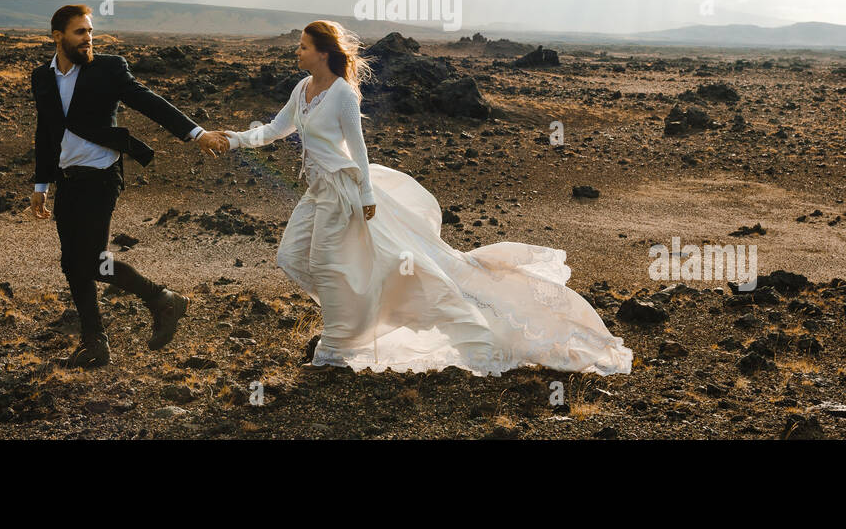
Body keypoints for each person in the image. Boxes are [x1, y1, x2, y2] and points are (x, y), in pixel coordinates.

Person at [207, 20, 633, 377]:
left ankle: (334, 351)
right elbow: (277, 128)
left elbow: (358, 148)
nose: (296, 53)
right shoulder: (303, 88)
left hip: (345, 190)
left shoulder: (341, 93)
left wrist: (368, 194)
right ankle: (362, 313)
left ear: (323, 52)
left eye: (302, 47)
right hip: (318, 190)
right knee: (293, 257)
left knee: (328, 265)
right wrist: (235, 141)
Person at [29, 3, 230, 368]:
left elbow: (148, 102)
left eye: (90, 31)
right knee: (73, 265)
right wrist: (41, 183)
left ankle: (161, 298)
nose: (88, 38)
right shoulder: (42, 78)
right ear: (57, 36)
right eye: (80, 32)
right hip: (67, 180)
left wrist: (195, 133)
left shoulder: (108, 68)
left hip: (101, 178)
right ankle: (96, 343)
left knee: (89, 261)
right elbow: (46, 132)